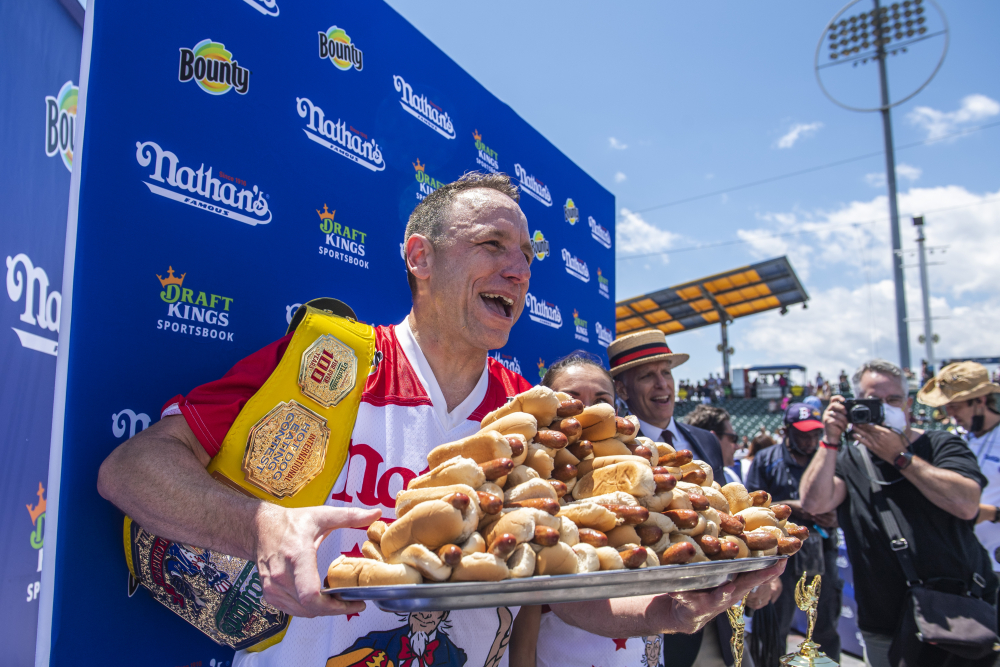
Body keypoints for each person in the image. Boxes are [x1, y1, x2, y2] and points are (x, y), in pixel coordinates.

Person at [97, 173, 781, 667]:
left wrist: (666, 609)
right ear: (420, 257)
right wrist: (262, 526)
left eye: (527, 257)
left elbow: (566, 589)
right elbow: (131, 471)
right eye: (491, 244)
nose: (518, 271)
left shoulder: (533, 413)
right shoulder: (331, 360)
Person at [800, 359, 997, 667]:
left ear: (907, 404)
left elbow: (966, 503)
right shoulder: (847, 455)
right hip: (885, 624)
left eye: (892, 400)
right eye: (872, 402)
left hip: (961, 613)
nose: (883, 409)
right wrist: (830, 439)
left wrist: (899, 456)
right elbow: (814, 503)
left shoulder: (941, 443)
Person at [508, 352, 665, 667]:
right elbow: (524, 614)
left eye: (601, 399)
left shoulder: (645, 475)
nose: (586, 410)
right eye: (571, 399)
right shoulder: (529, 482)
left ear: (615, 411)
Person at [608, 330, 732, 667]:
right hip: (652, 625)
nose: (662, 384)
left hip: (717, 625)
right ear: (622, 389)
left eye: (667, 372)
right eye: (648, 376)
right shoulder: (615, 451)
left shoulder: (705, 441)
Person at [745, 404, 842, 664]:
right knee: (774, 628)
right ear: (786, 431)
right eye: (802, 435)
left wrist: (835, 515)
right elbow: (749, 508)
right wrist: (794, 507)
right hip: (780, 557)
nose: (810, 441)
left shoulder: (828, 457)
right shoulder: (766, 459)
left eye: (814, 434)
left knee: (824, 627)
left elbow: (848, 500)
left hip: (822, 552)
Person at [917, 362, 1000, 585]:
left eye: (956, 405)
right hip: (962, 561)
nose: (949, 412)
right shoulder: (955, 438)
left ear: (980, 400)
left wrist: (991, 513)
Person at [685, 404, 743, 485]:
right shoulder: (684, 482)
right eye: (733, 438)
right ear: (713, 438)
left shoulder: (731, 476)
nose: (737, 446)